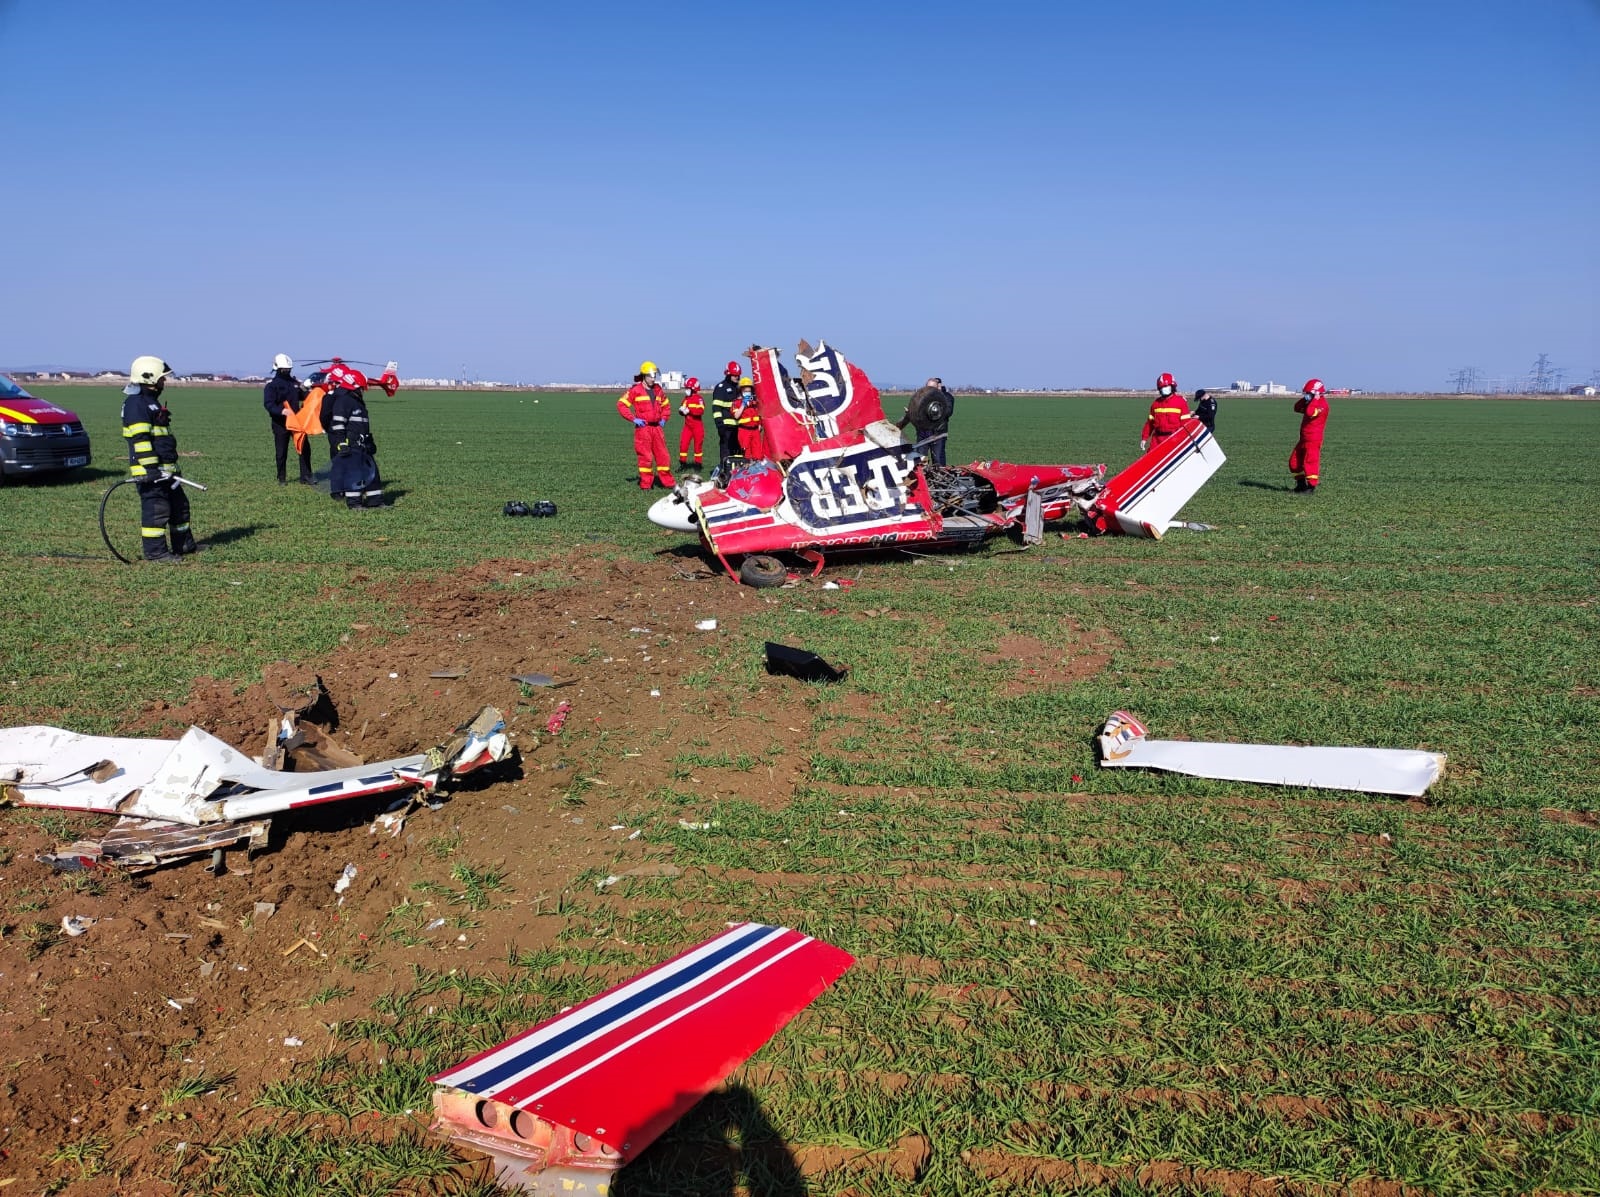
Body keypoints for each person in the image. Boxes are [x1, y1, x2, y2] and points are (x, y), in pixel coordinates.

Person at [121, 356, 196, 562]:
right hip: (151, 473)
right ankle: (156, 553)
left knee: (179, 507)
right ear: (149, 378)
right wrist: (151, 469)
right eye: (162, 379)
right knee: (157, 511)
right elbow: (141, 440)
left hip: (167, 472)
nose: (164, 382)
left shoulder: (150, 403)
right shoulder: (136, 405)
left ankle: (184, 545)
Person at [325, 362, 385, 508]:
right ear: (354, 386)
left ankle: (375, 501)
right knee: (354, 474)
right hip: (352, 446)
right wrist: (341, 444)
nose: (363, 391)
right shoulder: (344, 402)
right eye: (361, 388)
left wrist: (370, 441)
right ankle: (354, 504)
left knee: (372, 474)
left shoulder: (358, 403)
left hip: (363, 445)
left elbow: (363, 425)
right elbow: (337, 426)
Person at [617, 361, 676, 490]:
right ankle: (646, 484)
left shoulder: (658, 390)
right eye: (650, 376)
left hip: (657, 428)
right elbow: (621, 405)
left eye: (654, 375)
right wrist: (633, 419)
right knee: (645, 457)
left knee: (663, 456)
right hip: (643, 429)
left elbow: (666, 406)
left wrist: (664, 418)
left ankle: (668, 482)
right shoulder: (635, 390)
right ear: (644, 376)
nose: (653, 378)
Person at [263, 353, 313, 485]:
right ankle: (282, 478)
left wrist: (311, 391)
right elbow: (268, 404)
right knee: (281, 452)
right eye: (284, 370)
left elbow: (304, 396)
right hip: (280, 423)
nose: (287, 372)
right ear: (277, 369)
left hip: (297, 422)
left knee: (304, 449)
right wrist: (281, 411)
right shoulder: (271, 386)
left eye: (289, 370)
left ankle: (306, 476)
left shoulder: (295, 384)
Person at [897, 377, 956, 466]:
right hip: (923, 433)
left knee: (938, 461)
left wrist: (935, 410)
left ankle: (940, 479)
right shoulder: (922, 397)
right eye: (927, 387)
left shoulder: (946, 397)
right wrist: (911, 412)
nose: (928, 389)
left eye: (931, 387)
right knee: (920, 460)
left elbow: (948, 412)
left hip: (937, 434)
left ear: (938, 387)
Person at [1289, 378, 1329, 493]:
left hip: (1313, 439)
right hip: (1303, 439)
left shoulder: (1322, 405)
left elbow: (1310, 413)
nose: (1306, 395)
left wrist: (1315, 399)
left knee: (1310, 462)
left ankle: (1311, 487)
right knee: (1294, 461)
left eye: (1308, 393)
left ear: (1316, 393)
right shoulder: (1310, 403)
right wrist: (1307, 399)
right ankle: (1300, 486)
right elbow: (1296, 408)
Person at [1140, 372, 1192, 451]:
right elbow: (1149, 423)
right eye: (1162, 387)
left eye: (1166, 386)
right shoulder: (1155, 404)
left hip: (1174, 439)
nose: (1164, 388)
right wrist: (1144, 438)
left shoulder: (1181, 402)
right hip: (1157, 440)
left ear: (1172, 386)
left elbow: (1186, 424)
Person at [710, 359, 742, 466]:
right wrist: (720, 426)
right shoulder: (721, 388)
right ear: (728, 375)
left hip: (739, 428)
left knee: (739, 455)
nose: (736, 377)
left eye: (738, 375)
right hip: (726, 428)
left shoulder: (739, 388)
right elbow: (716, 409)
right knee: (726, 455)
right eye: (734, 375)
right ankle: (724, 475)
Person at [677, 375, 705, 468]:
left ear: (693, 388)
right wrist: (681, 411)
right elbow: (682, 409)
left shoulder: (699, 399)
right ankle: (682, 464)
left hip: (697, 426)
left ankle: (698, 464)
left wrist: (690, 411)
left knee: (697, 446)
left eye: (688, 388)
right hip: (687, 426)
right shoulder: (686, 399)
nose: (686, 390)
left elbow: (701, 410)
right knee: (683, 444)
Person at [734, 375, 764, 459]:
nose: (747, 393)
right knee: (747, 454)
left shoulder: (755, 402)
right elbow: (736, 416)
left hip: (755, 431)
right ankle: (747, 471)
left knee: (758, 454)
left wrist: (760, 424)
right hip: (744, 431)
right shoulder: (737, 403)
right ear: (741, 391)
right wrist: (743, 404)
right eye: (745, 391)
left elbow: (759, 414)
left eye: (749, 391)